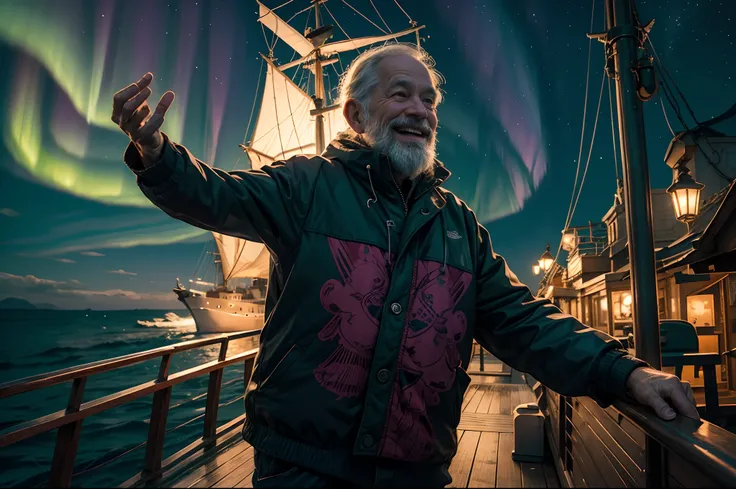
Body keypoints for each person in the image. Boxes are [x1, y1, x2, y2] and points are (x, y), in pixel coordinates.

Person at [113, 44, 699, 488]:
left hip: (417, 472)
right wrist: (157, 156)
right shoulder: (305, 188)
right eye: (401, 95)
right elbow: (215, 195)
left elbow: (524, 321)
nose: (420, 110)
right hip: (302, 470)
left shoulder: (459, 226)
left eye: (429, 100)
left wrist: (625, 374)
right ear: (355, 113)